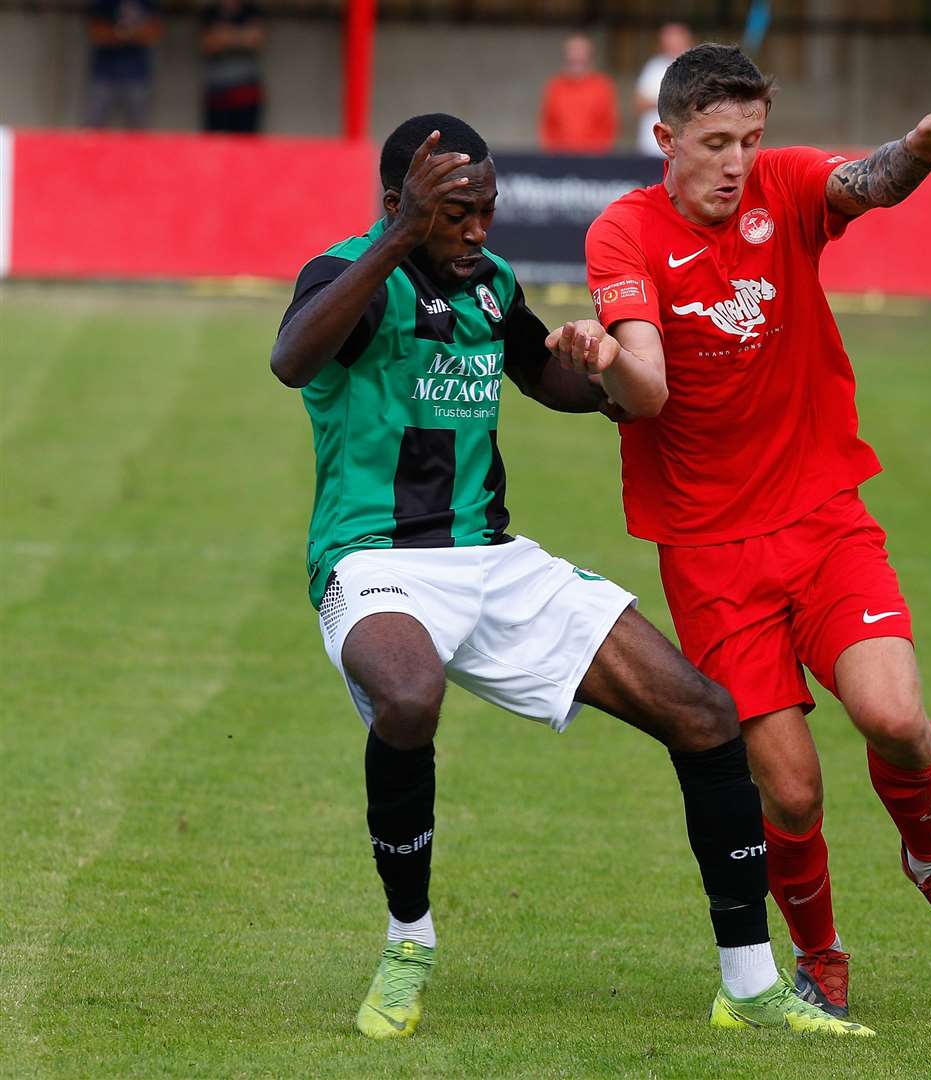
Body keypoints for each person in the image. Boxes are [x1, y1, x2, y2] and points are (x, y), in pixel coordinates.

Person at [269, 113, 870, 1041]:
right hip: (373, 560)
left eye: (488, 211)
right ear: (399, 205)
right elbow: (291, 358)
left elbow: (541, 379)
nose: (478, 230)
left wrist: (596, 369)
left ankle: (749, 987)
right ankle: (408, 940)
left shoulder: (491, 284)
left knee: (706, 715)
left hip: (495, 562)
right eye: (455, 213)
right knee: (410, 693)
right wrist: (397, 241)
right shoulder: (347, 276)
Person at [574, 44, 931, 1021]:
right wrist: (606, 362)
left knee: (895, 718)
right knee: (792, 790)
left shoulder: (784, 186)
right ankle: (818, 956)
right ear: (665, 138)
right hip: (708, 552)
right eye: (715, 142)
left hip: (820, 516)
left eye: (750, 139)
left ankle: (930, 860)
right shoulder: (623, 235)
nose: (736, 162)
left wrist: (920, 149)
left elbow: (864, 182)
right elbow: (644, 387)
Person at [85, 0, 162, 130]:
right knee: (94, 124)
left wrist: (120, 34)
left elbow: (152, 33)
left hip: (137, 72)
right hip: (104, 72)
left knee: (139, 126)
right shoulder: (104, 3)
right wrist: (129, 34)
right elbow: (98, 34)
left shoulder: (147, 3)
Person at [538, 33, 619, 153]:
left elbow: (609, 125)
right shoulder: (555, 87)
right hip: (559, 157)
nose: (576, 58)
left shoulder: (603, 87)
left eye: (581, 56)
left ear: (590, 57)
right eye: (573, 54)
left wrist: (599, 154)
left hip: (594, 157)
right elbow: (547, 124)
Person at [200, 0, 265, 134]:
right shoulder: (210, 11)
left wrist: (224, 35)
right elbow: (208, 44)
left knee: (246, 143)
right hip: (217, 89)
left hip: (246, 89)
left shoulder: (251, 9)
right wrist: (242, 36)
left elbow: (255, 40)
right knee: (215, 142)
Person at [633, 22, 694, 157]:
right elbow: (639, 104)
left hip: (684, 148)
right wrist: (674, 101)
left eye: (675, 39)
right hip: (651, 147)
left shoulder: (696, 67)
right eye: (667, 39)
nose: (671, 44)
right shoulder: (653, 66)